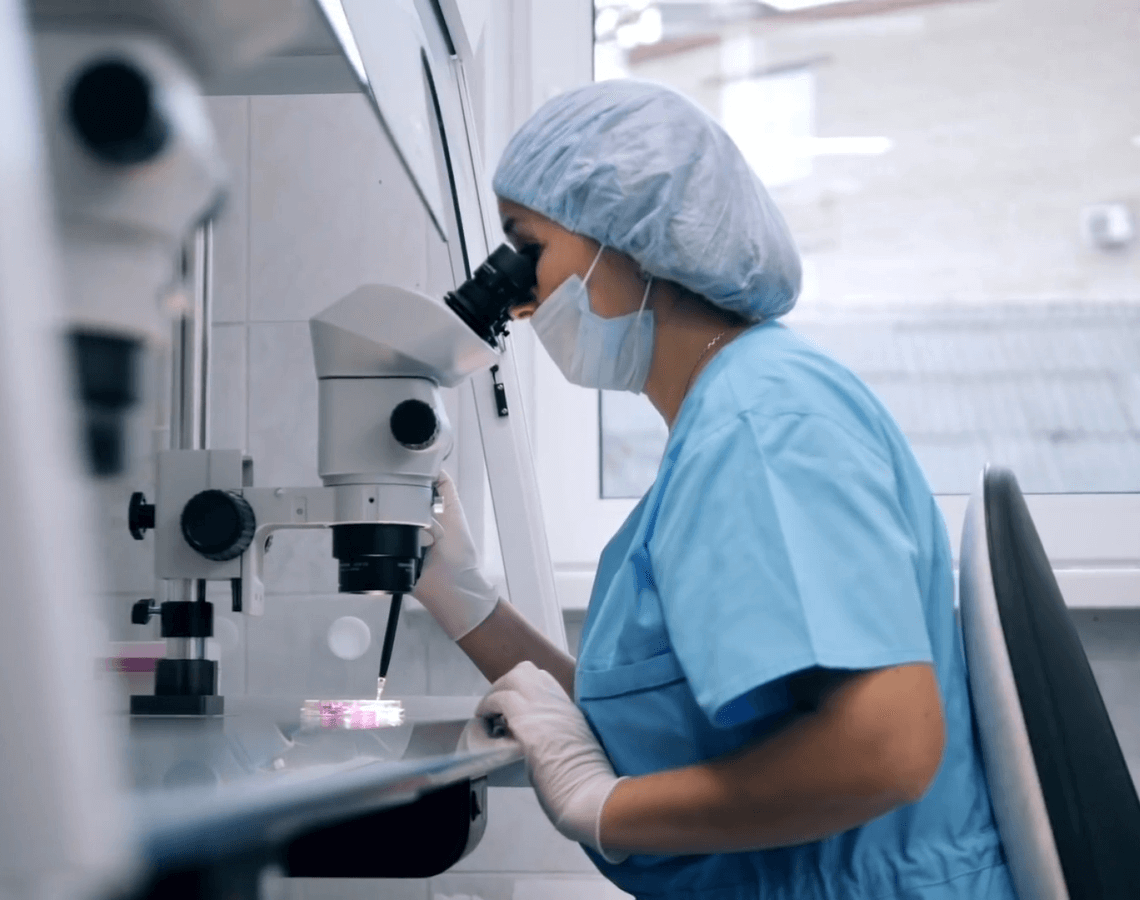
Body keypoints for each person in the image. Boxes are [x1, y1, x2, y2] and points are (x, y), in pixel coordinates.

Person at [411, 79, 1017, 899]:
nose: (516, 301)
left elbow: (885, 749)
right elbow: (652, 734)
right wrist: (460, 595)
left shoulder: (759, 425)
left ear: (627, 241)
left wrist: (606, 808)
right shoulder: (730, 416)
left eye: (527, 249)